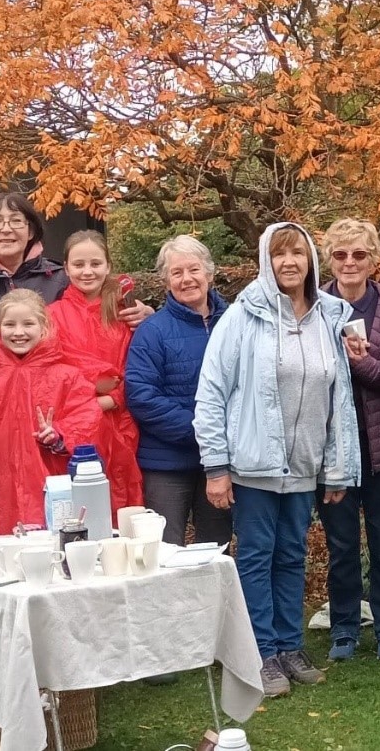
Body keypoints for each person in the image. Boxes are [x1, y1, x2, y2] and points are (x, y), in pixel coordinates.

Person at [193, 222, 361, 698]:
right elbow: (211, 395)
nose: (289, 262)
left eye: (298, 253)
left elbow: (339, 398)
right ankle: (261, 653)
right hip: (253, 466)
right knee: (255, 558)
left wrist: (336, 466)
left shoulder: (330, 316)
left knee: (291, 555)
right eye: (279, 254)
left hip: (306, 465)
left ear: (310, 260)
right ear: (266, 260)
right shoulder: (242, 317)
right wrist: (217, 467)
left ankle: (290, 646)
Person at [317, 219, 380, 662]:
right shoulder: (312, 308)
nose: (350, 262)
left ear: (374, 258)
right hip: (331, 447)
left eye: (359, 254)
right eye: (340, 254)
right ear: (329, 259)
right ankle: (344, 627)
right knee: (341, 546)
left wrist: (364, 363)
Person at [0, 192, 149, 372]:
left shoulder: (57, 277)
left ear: (31, 231)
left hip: (48, 396)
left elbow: (97, 310)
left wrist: (144, 317)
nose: (6, 229)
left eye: (16, 221)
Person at [0, 289, 102, 535]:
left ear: (44, 327)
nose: (19, 332)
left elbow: (87, 417)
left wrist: (59, 434)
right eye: (10, 324)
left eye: (28, 324)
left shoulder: (67, 377)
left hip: (51, 486)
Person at [124, 235, 233, 548]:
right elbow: (141, 396)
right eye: (177, 273)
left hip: (221, 463)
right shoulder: (153, 330)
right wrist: (202, 430)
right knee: (164, 550)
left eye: (194, 270)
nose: (187, 279)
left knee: (216, 549)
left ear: (209, 274)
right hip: (167, 464)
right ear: (166, 281)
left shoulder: (234, 324)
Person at [49, 230, 143, 509]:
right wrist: (94, 395)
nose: (87, 271)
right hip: (74, 425)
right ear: (66, 268)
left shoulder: (124, 313)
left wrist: (111, 399)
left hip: (121, 423)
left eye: (95, 263)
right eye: (78, 265)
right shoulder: (51, 315)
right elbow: (50, 371)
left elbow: (138, 368)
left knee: (121, 502)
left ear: (108, 266)